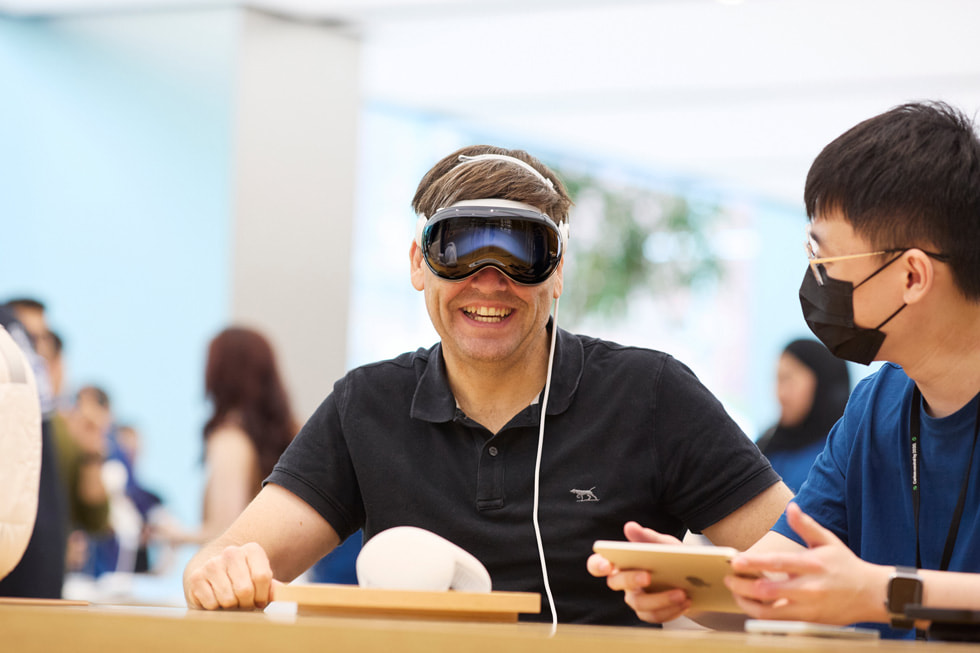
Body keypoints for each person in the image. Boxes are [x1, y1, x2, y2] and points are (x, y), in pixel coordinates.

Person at [182, 145, 791, 626]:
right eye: (460, 250)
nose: (490, 281)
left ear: (557, 272)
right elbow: (220, 564)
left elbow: (802, 580)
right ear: (418, 264)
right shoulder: (366, 405)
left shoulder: (652, 394)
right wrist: (218, 575)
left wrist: (695, 589)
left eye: (522, 256)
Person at [597, 102, 980, 638]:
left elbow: (871, 590)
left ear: (912, 277)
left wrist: (884, 592)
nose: (814, 279)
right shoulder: (874, 408)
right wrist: (692, 583)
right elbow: (775, 581)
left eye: (826, 261)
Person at [755, 339, 849, 493]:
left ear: (821, 383)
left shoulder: (842, 456)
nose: (780, 394)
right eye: (778, 380)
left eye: (788, 380)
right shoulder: (767, 444)